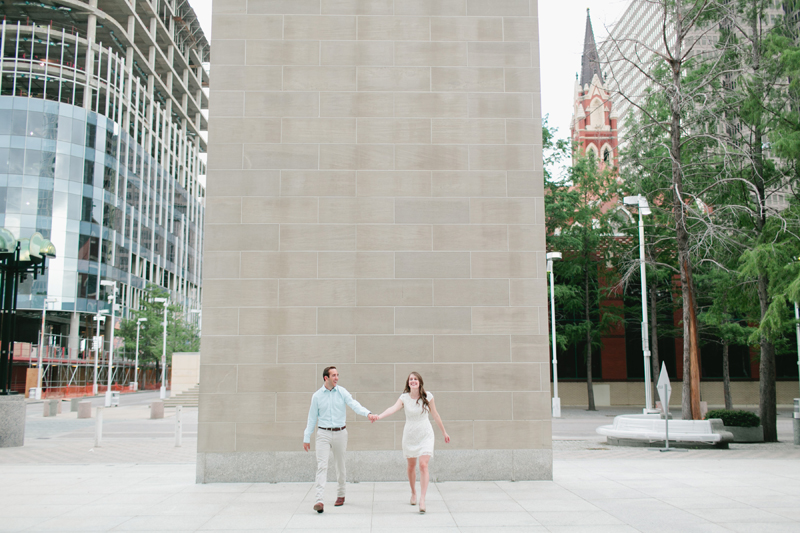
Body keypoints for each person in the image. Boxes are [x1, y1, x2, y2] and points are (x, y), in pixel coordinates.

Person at [372, 372, 449, 513]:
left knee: (423, 464)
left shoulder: (428, 396)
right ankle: (413, 492)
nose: (413, 381)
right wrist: (379, 416)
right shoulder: (404, 398)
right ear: (408, 383)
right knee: (411, 466)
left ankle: (422, 499)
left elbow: (435, 414)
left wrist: (444, 432)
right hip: (410, 435)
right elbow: (392, 409)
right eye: (411, 379)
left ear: (420, 382)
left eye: (415, 379)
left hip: (425, 434)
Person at [303, 366, 377, 513]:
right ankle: (319, 500)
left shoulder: (342, 392)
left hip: (340, 433)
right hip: (323, 434)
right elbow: (312, 419)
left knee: (340, 465)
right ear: (326, 378)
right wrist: (307, 437)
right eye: (334, 375)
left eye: (337, 375)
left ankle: (341, 494)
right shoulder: (317, 396)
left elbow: (354, 405)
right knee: (322, 466)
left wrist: (367, 413)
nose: (337, 378)